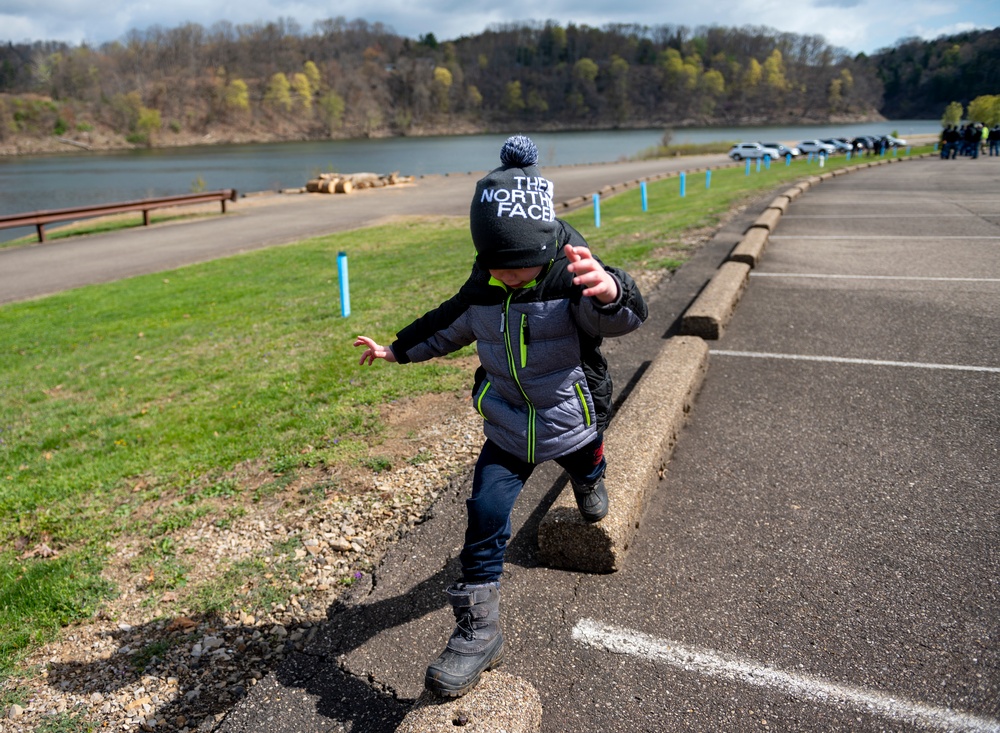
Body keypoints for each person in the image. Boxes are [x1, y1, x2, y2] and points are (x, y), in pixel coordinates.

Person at [353, 134, 648, 698]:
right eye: (498, 267)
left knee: (584, 462)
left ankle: (590, 478)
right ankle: (478, 629)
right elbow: (445, 325)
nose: (511, 277)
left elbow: (623, 316)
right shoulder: (484, 291)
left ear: (546, 247)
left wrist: (611, 291)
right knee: (484, 513)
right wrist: (398, 349)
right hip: (509, 425)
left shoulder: (571, 283)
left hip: (570, 416)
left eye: (523, 267)